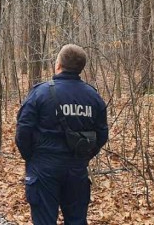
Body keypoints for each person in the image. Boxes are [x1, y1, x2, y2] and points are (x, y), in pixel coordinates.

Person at [16, 44, 108, 225]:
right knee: (76, 221)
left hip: (44, 168)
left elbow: (23, 131)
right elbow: (102, 134)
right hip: (76, 168)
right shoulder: (93, 97)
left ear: (58, 65)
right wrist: (84, 156)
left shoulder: (40, 93)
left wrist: (31, 158)